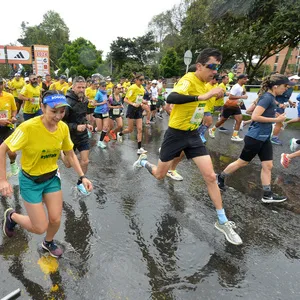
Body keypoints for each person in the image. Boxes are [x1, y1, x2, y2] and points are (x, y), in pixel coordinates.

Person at [133, 48, 242, 246]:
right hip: (175, 135)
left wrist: (214, 98)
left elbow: (206, 106)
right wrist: (203, 97)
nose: (215, 72)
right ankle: (143, 163)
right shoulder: (188, 79)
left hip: (193, 135)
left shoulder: (206, 84)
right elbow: (172, 98)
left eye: (218, 68)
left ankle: (222, 221)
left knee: (210, 177)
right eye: (212, 67)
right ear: (199, 65)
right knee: (159, 174)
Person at [0, 90, 93, 258]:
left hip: (51, 179)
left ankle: (48, 242)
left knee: (56, 219)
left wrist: (82, 176)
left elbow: (70, 153)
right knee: (39, 227)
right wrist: (3, 180)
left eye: (62, 111)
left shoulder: (63, 128)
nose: (58, 116)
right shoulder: (28, 128)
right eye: (54, 111)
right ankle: (12, 216)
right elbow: (3, 148)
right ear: (43, 108)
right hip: (31, 181)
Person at [217, 74, 293, 203]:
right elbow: (255, 116)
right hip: (255, 137)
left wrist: (274, 113)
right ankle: (220, 177)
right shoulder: (267, 98)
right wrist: (277, 119)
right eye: (285, 86)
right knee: (242, 162)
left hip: (264, 138)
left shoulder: (271, 98)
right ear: (275, 86)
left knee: (268, 165)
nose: (286, 89)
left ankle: (267, 195)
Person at [62, 76, 93, 195]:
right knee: (68, 164)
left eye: (83, 87)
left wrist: (87, 123)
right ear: (73, 87)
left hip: (83, 135)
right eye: (79, 87)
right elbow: (61, 122)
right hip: (69, 135)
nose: (81, 89)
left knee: (85, 161)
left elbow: (83, 116)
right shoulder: (67, 102)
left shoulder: (84, 100)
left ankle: (81, 183)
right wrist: (75, 126)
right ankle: (61, 153)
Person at [209, 74, 248, 142]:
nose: (246, 80)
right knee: (222, 120)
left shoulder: (240, 87)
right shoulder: (236, 87)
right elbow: (230, 97)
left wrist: (242, 95)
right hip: (229, 106)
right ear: (239, 79)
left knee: (239, 120)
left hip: (236, 106)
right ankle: (212, 129)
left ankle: (234, 135)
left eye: (246, 79)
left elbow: (239, 94)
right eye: (244, 79)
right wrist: (242, 97)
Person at [117, 74, 148, 154]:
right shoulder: (132, 87)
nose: (142, 81)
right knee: (130, 130)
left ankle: (139, 148)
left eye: (143, 79)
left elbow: (139, 99)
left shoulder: (142, 88)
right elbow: (125, 99)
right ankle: (120, 133)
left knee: (140, 129)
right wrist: (133, 104)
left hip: (138, 109)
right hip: (131, 109)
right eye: (141, 80)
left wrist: (143, 101)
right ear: (136, 80)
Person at [270, 75, 299, 145]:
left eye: (297, 80)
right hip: (276, 105)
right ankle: (273, 138)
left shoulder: (290, 88)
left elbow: (286, 97)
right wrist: (278, 104)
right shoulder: (279, 87)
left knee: (279, 122)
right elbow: (272, 96)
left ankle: (271, 135)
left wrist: (290, 102)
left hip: (281, 105)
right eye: (295, 80)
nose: (296, 81)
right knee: (279, 122)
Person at [0, 78, 19, 176]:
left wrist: (13, 116)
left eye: (0, 84)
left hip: (8, 126)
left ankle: (13, 162)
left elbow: (14, 109)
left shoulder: (9, 96)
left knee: (12, 152)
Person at [93, 81, 110, 148]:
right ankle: (93, 130)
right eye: (103, 86)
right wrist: (102, 103)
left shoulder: (105, 93)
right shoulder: (98, 93)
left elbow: (106, 101)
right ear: (99, 86)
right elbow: (94, 103)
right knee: (99, 128)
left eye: (105, 86)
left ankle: (100, 142)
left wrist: (108, 105)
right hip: (98, 112)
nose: (104, 87)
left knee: (105, 127)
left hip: (105, 112)